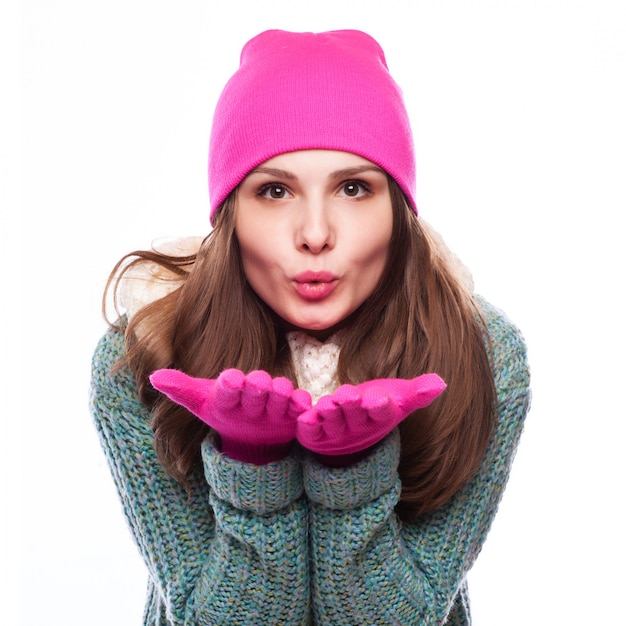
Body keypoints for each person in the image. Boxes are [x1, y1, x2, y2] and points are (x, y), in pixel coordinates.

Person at [90, 29, 531, 625]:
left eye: (353, 188)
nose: (316, 232)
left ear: (398, 210)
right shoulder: (141, 359)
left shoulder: (482, 356)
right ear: (231, 214)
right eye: (274, 190)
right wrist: (252, 460)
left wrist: (353, 470)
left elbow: (405, 617)